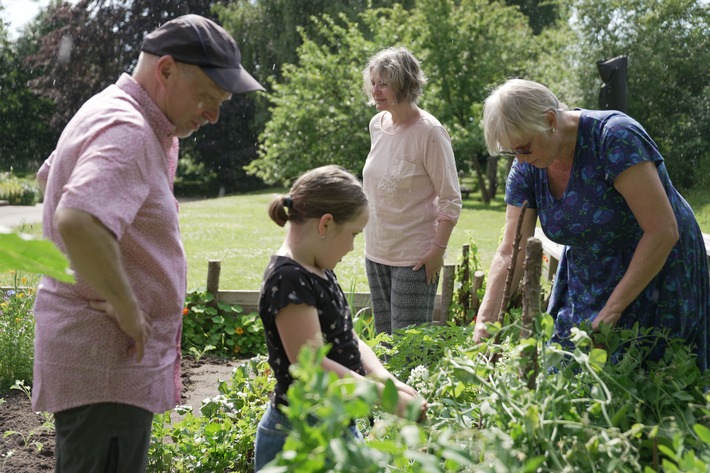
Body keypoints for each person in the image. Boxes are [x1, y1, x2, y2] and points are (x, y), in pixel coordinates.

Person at [33, 14, 264, 472]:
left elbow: (50, 178)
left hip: (105, 373)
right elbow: (78, 218)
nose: (214, 115)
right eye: (207, 98)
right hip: (108, 372)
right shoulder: (129, 129)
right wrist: (125, 305)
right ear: (166, 70)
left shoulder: (114, 110)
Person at [473, 78, 709, 370]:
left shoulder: (614, 137)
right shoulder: (528, 169)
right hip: (591, 274)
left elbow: (662, 230)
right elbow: (511, 250)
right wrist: (486, 320)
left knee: (649, 379)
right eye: (513, 153)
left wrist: (612, 310)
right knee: (567, 372)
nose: (520, 160)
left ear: (549, 120)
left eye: (524, 148)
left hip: (656, 269)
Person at [254, 165, 427, 471]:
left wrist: (386, 380)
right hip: (299, 436)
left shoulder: (319, 269)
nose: (351, 247)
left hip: (333, 424)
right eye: (353, 235)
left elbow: (349, 338)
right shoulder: (288, 279)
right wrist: (382, 397)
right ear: (325, 225)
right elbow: (311, 365)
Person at [361, 46, 462, 335]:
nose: (375, 90)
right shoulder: (377, 125)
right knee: (383, 342)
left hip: (415, 259)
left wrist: (437, 251)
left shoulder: (430, 132)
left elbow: (451, 199)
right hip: (376, 252)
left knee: (408, 348)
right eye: (374, 83)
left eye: (384, 83)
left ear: (404, 85)